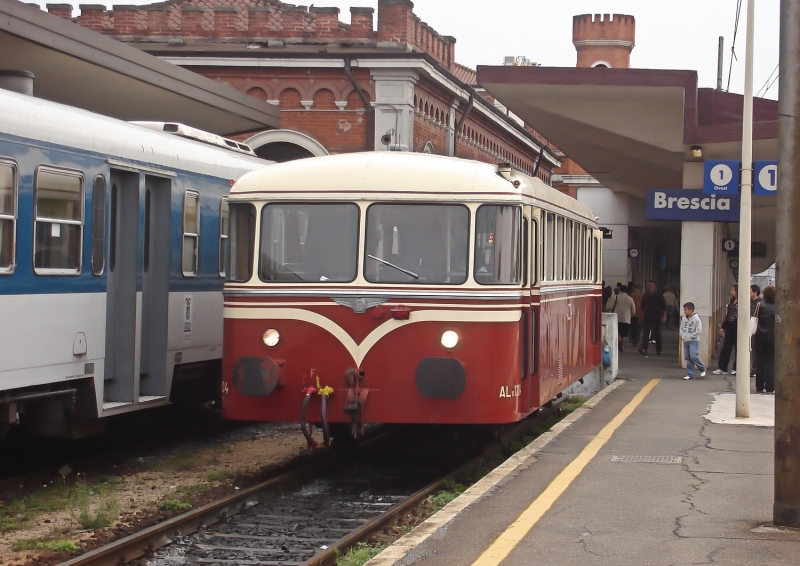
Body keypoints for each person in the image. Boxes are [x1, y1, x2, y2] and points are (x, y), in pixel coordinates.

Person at [753, 285, 775, 393]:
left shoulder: (760, 305)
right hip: (773, 337)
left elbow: (755, 320)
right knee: (771, 362)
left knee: (760, 362)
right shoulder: (778, 307)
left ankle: (759, 386)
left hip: (760, 337)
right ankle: (770, 386)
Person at [713, 285, 739, 375]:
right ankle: (722, 368)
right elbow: (728, 315)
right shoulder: (732, 301)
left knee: (738, 348)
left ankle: (736, 368)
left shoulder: (744, 301)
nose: (731, 291)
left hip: (738, 327)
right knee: (726, 348)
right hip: (729, 326)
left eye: (732, 290)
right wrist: (723, 327)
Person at [638, 281, 667, 356]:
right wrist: (641, 316)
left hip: (657, 317)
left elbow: (664, 307)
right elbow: (642, 307)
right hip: (647, 317)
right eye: (648, 285)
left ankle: (659, 350)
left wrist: (664, 316)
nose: (649, 287)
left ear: (655, 286)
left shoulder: (659, 296)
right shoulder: (645, 296)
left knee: (657, 333)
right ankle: (644, 349)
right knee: (646, 333)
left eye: (651, 285)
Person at [680, 302, 706, 380]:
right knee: (687, 357)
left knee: (694, 356)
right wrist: (682, 336)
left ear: (691, 310)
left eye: (686, 310)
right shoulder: (684, 318)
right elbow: (681, 328)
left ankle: (702, 368)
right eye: (684, 310)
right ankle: (690, 374)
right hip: (685, 340)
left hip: (694, 341)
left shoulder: (696, 319)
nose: (684, 311)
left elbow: (698, 330)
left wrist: (691, 336)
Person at [606, 285, 636, 351]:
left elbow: (610, 307)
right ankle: (622, 345)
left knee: (618, 331)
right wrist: (629, 315)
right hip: (626, 319)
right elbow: (633, 310)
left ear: (620, 290)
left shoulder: (615, 297)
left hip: (616, 318)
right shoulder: (630, 299)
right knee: (624, 333)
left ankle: (618, 340)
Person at [749, 284, 763, 378]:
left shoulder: (758, 303)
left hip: (756, 329)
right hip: (754, 329)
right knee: (753, 349)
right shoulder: (751, 302)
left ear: (755, 292)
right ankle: (754, 368)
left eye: (750, 291)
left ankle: (755, 369)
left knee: (755, 350)